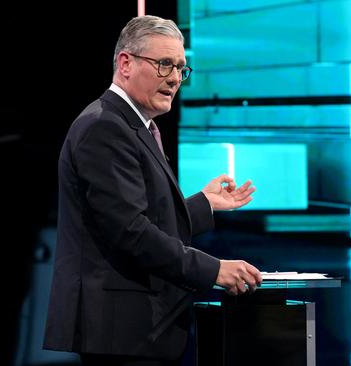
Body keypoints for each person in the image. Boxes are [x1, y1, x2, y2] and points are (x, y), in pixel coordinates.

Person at [43, 15, 262, 366]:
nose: (175, 78)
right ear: (125, 63)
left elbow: (141, 219)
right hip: (122, 333)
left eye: (180, 68)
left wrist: (203, 204)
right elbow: (131, 233)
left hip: (140, 331)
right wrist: (214, 270)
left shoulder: (133, 126)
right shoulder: (105, 128)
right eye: (164, 65)